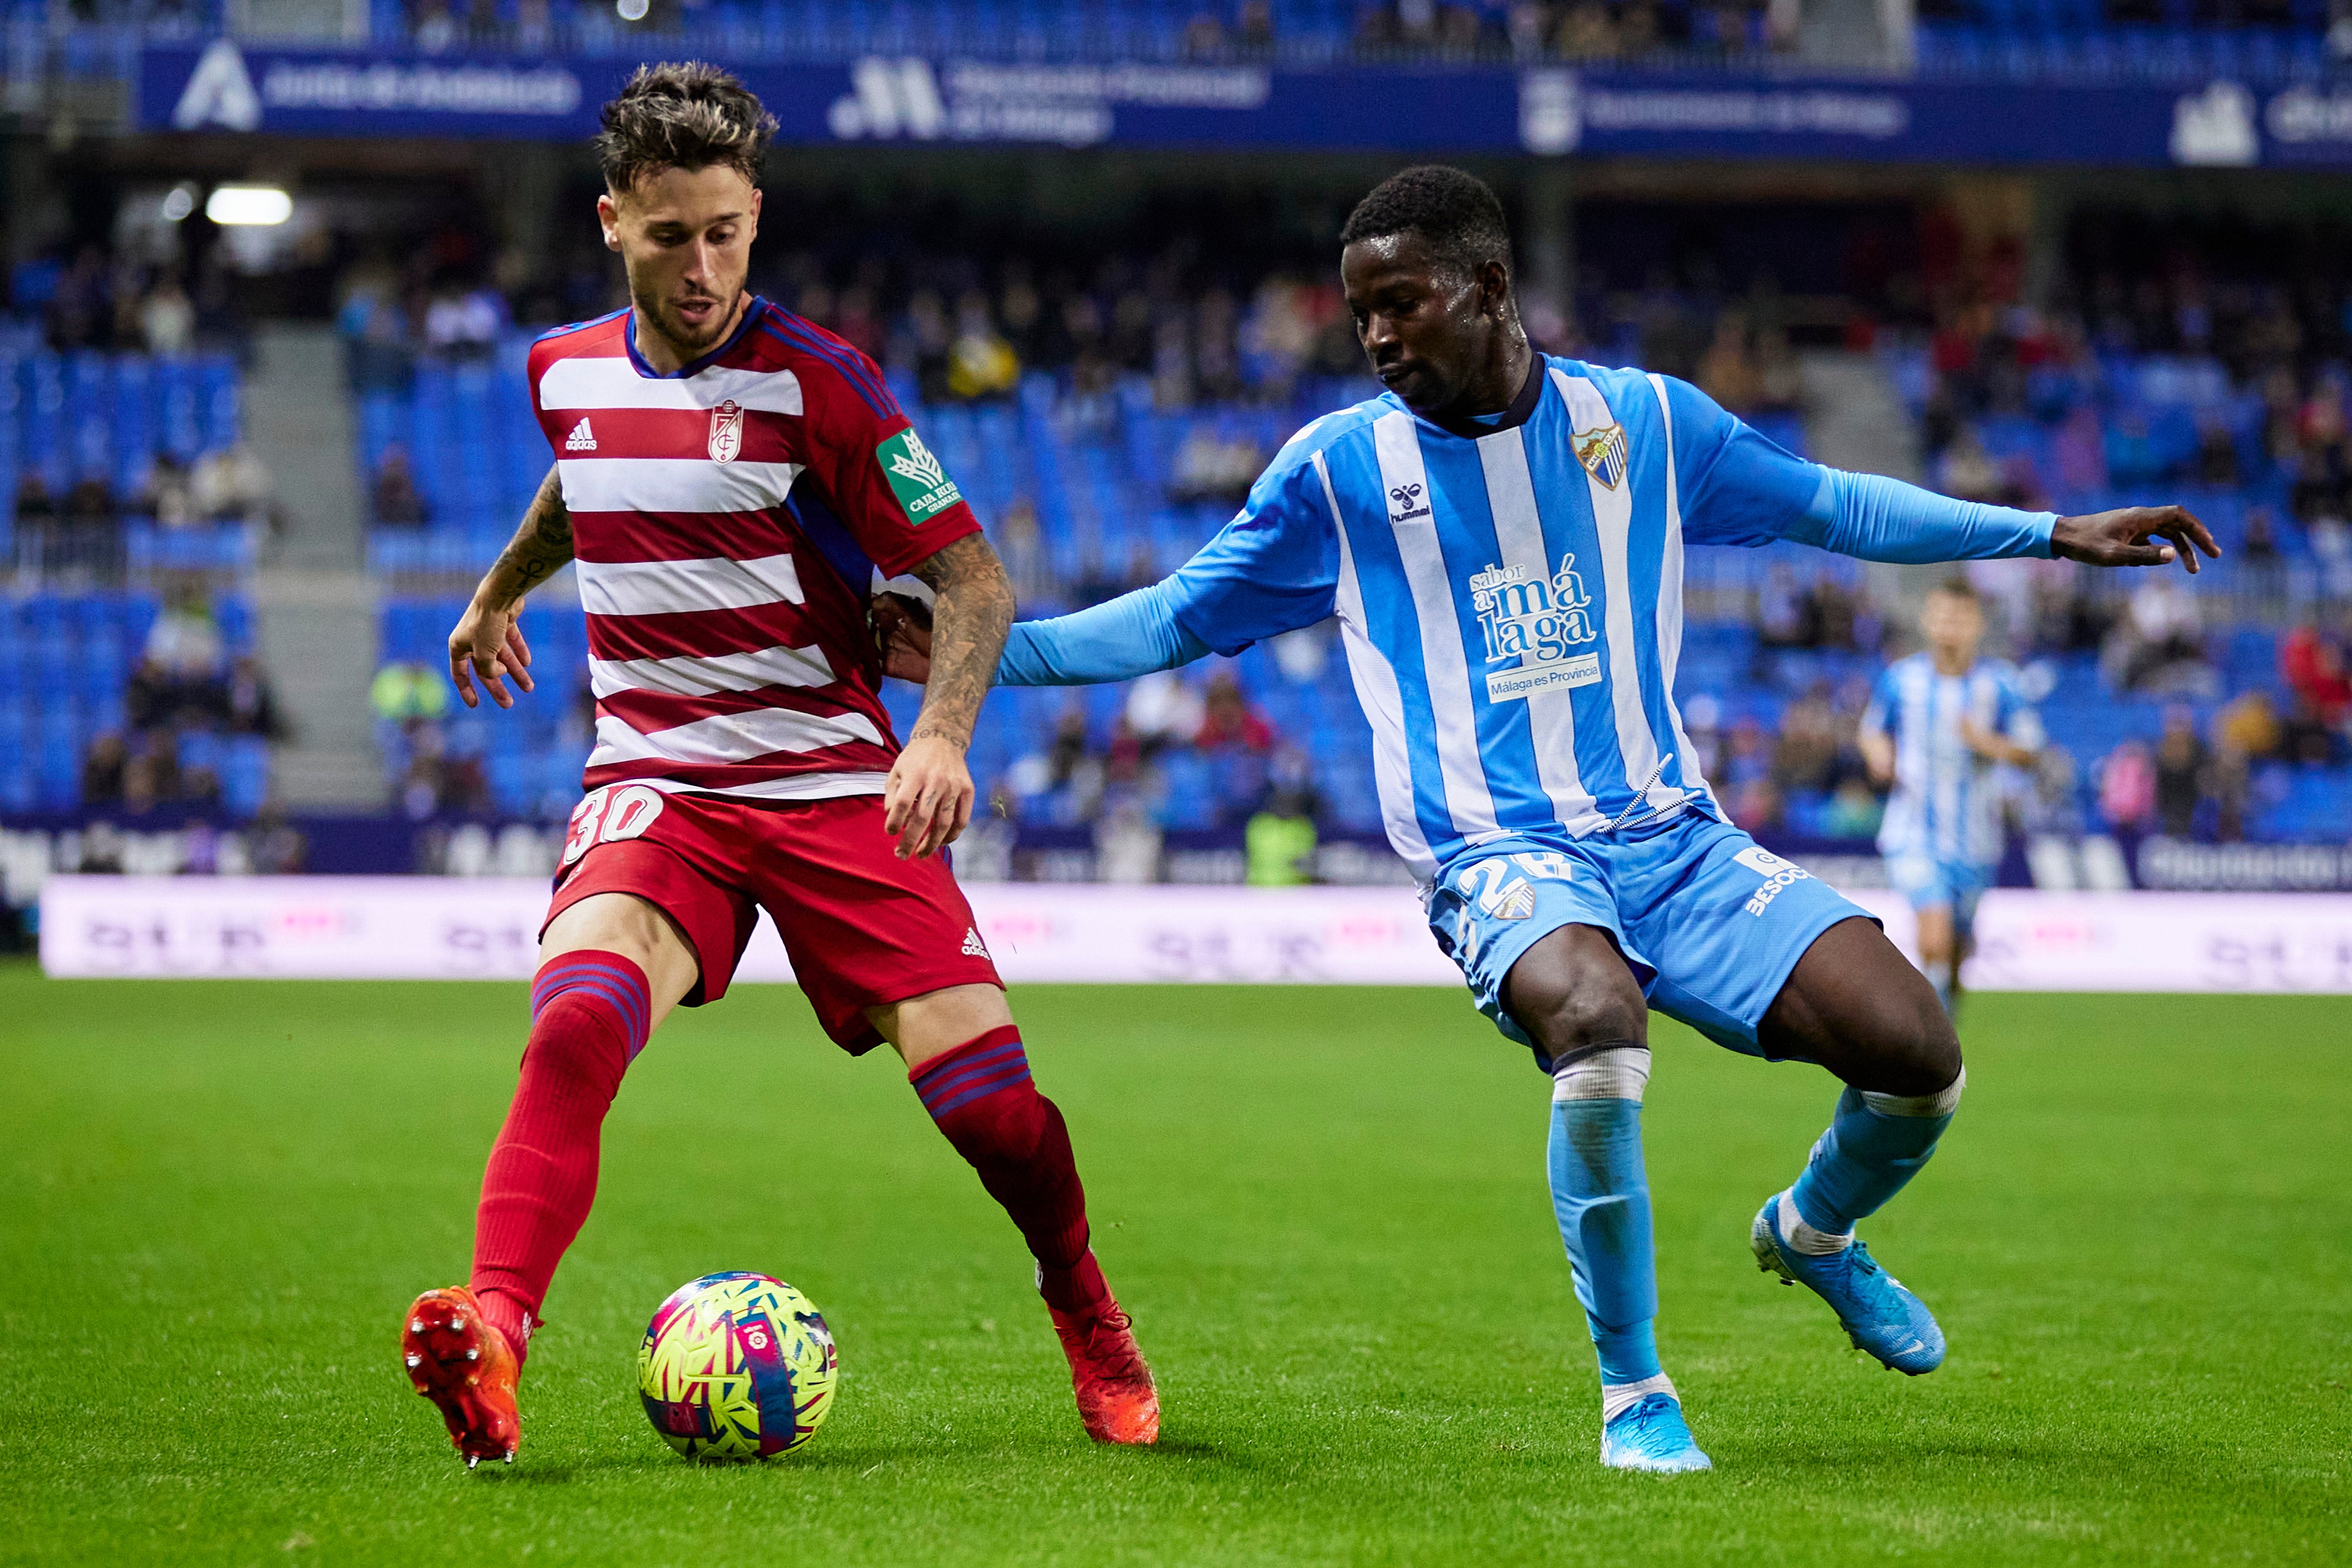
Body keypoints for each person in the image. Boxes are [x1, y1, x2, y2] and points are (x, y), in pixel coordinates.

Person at [880, 166, 2215, 1474]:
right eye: (1362, 317)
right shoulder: (1336, 475)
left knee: (1918, 1054)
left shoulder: (1641, 423)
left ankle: (1810, 1232)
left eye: (1403, 303)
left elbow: (1836, 507)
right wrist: (976, 652)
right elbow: (1171, 618)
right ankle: (1634, 1390)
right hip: (1498, 856)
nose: (1380, 337)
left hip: (1675, 843)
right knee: (1591, 1016)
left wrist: (2046, 534)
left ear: (1490, 286)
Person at [403, 63, 1155, 1470]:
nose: (701, 269)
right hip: (660, 786)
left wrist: (937, 735)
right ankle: (495, 1335)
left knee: (993, 1110)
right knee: (573, 1025)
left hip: (826, 780)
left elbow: (976, 584)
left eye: (727, 234)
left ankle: (1082, 1302)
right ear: (611, 219)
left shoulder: (825, 385)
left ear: (758, 217)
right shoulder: (559, 369)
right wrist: (497, 590)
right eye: (670, 235)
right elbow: (590, 471)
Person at [1856, 580, 2042, 1017]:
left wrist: (1988, 744)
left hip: (1977, 840)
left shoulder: (2001, 685)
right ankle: (1928, 1045)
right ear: (1926, 621)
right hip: (1913, 830)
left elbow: (2031, 751)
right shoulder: (1901, 679)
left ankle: (1944, 1023)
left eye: (1959, 617)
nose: (1949, 627)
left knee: (1958, 951)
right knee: (1934, 939)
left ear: (1977, 624)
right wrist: (1880, 755)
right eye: (1941, 616)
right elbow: (1871, 731)